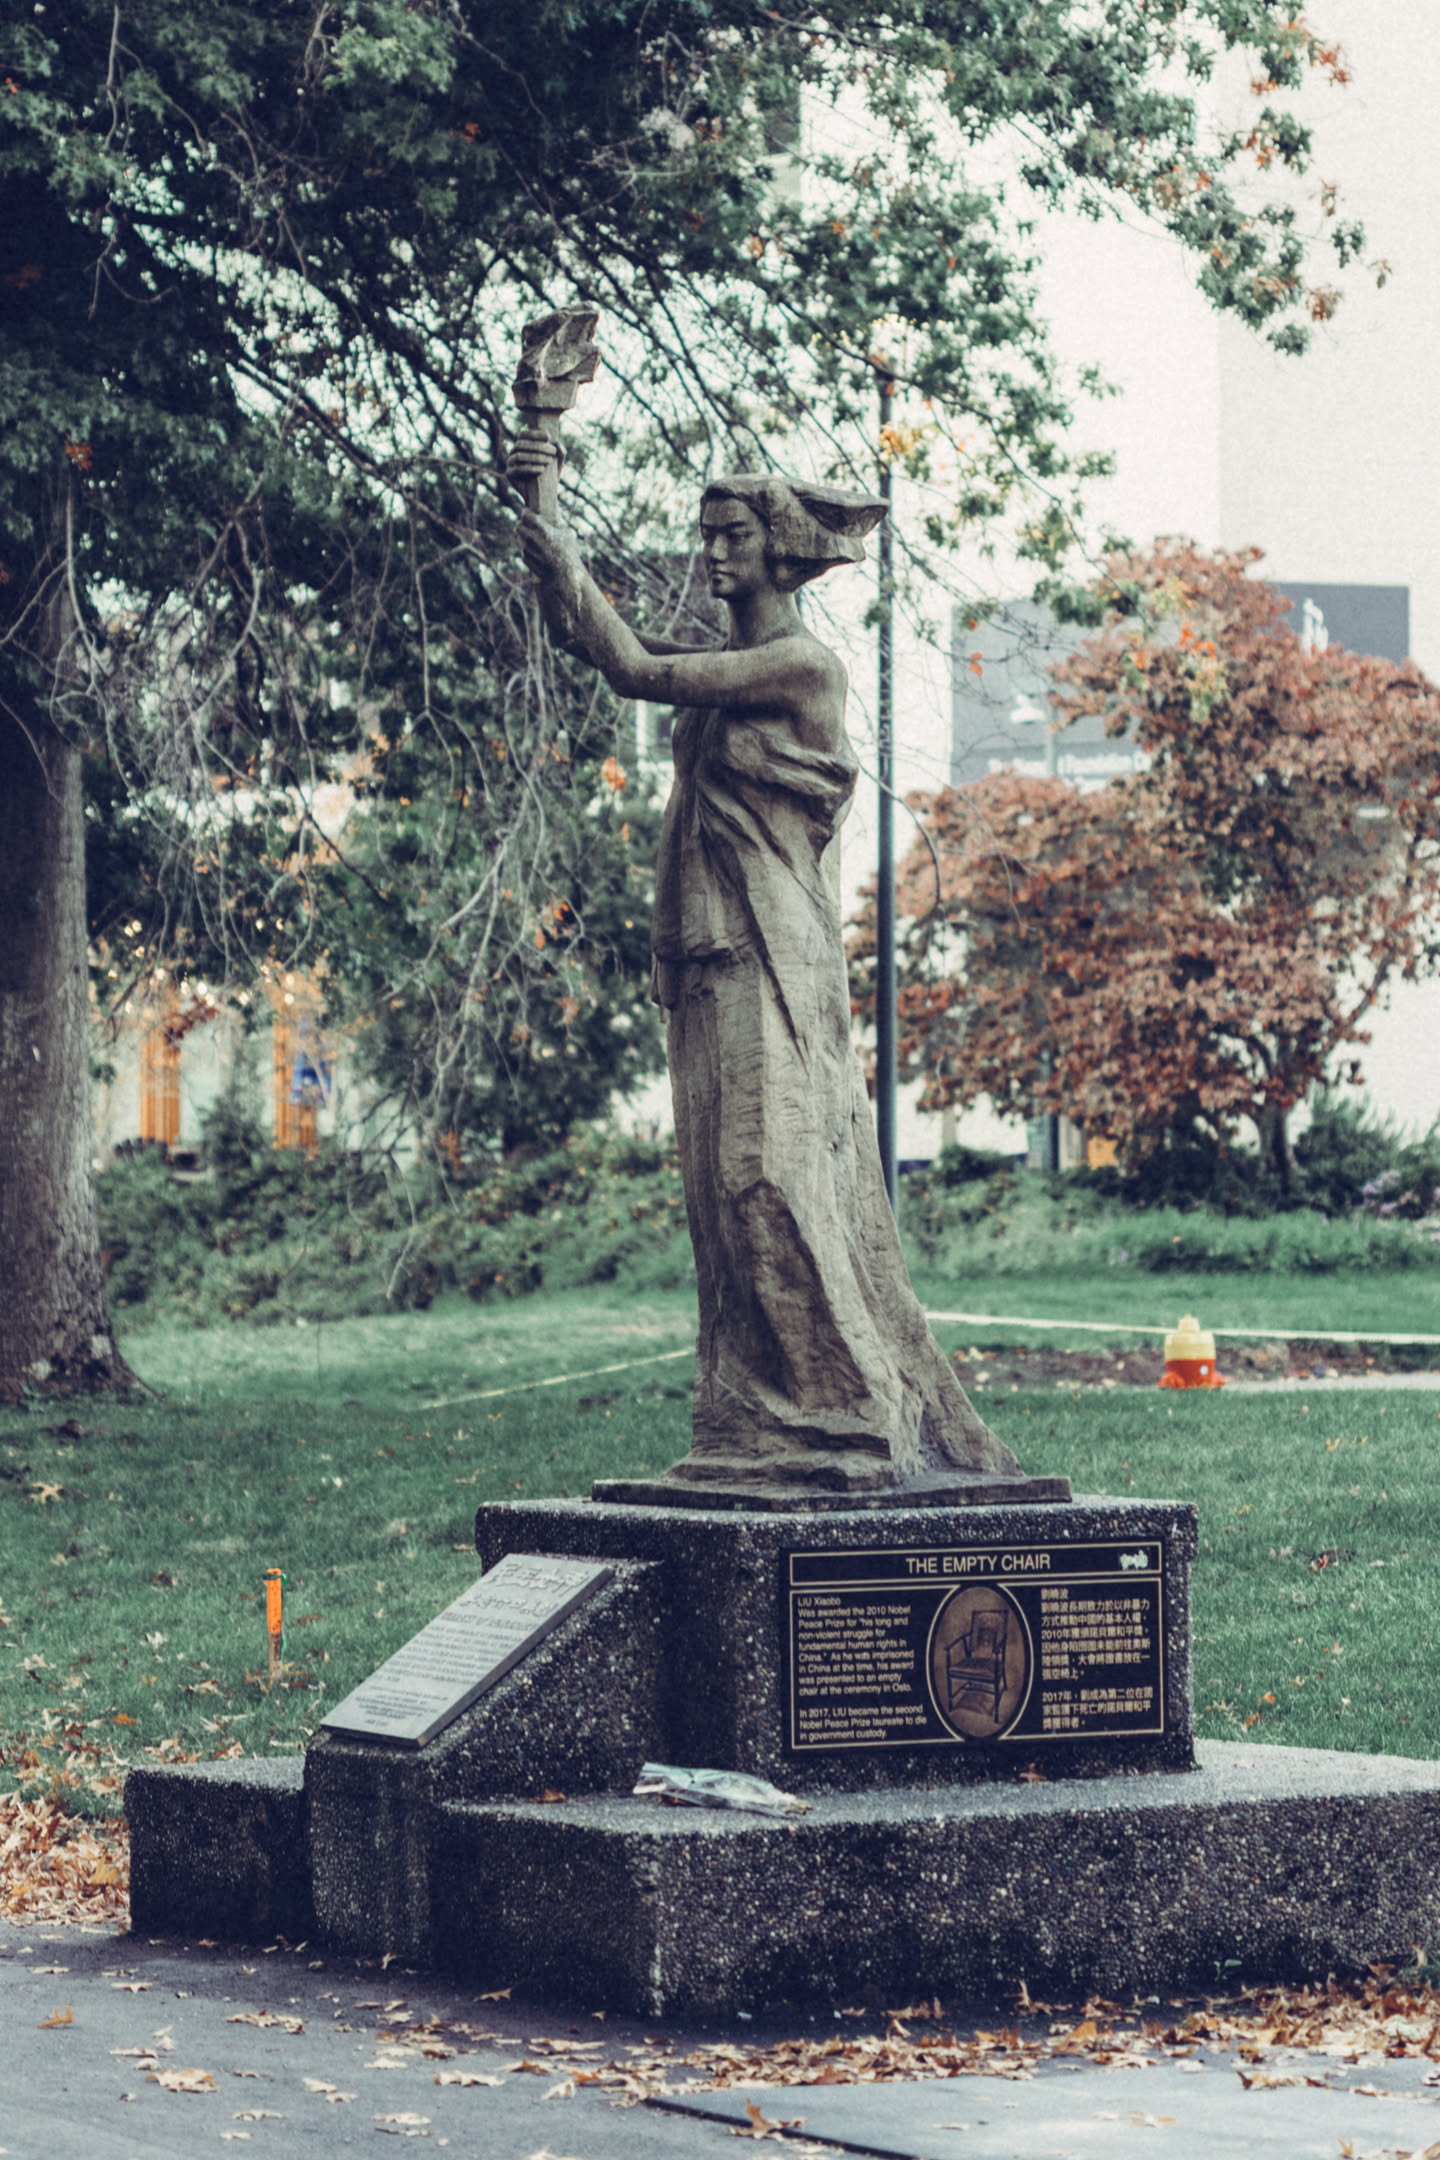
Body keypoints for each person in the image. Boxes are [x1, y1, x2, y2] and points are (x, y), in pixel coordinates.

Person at [511, 434, 1017, 1494]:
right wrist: (541, 507)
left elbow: (635, 668)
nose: (712, 553)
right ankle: (756, 1413)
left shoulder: (800, 666)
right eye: (706, 536)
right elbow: (604, 641)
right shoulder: (724, 676)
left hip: (775, 952)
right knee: (716, 1190)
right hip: (706, 946)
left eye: (731, 535)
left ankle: (845, 1410)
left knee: (764, 1171)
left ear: (781, 551)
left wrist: (562, 547)